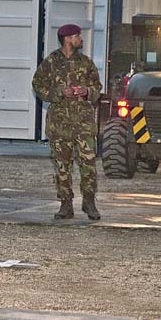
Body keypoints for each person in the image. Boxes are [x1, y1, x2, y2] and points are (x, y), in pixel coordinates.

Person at [32, 24, 102, 220]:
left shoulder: (86, 63)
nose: (81, 39)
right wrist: (58, 94)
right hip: (59, 124)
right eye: (77, 36)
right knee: (62, 165)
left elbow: (97, 87)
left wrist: (87, 91)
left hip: (84, 123)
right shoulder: (51, 62)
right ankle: (65, 203)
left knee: (88, 163)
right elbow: (37, 85)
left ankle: (89, 202)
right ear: (68, 38)